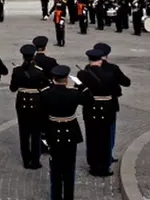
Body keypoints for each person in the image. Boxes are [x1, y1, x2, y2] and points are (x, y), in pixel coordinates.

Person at [39, 65, 85, 200]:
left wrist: (43, 135)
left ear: (53, 79)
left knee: (55, 168)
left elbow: (42, 116)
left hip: (53, 132)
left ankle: (56, 196)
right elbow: (89, 99)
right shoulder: (74, 93)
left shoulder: (46, 93)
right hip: (71, 132)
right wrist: (81, 85)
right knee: (69, 167)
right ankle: (69, 196)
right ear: (67, 80)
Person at [78, 48, 119, 177]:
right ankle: (104, 166)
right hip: (106, 108)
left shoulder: (82, 74)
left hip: (90, 108)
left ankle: (93, 164)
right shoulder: (109, 74)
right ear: (101, 60)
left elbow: (79, 92)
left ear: (89, 60)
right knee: (105, 138)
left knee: (91, 137)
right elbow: (117, 91)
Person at [10, 44, 46, 169]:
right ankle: (35, 160)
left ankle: (26, 160)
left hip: (22, 102)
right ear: (34, 56)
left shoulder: (17, 71)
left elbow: (12, 88)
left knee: (23, 132)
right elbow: (45, 87)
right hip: (36, 102)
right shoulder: (39, 71)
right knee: (36, 132)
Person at [95, 42, 130, 162]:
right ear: (107, 55)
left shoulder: (88, 69)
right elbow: (126, 82)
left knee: (95, 131)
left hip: (93, 104)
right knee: (109, 131)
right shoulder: (113, 68)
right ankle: (107, 154)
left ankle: (96, 154)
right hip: (110, 104)